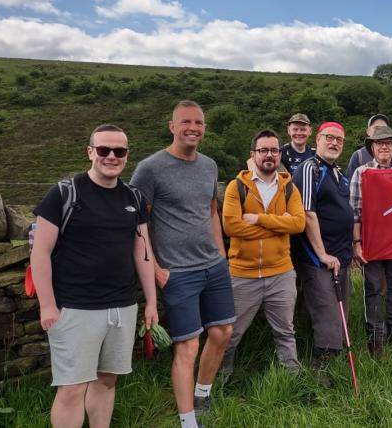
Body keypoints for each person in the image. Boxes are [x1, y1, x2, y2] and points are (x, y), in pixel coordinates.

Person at [31, 124, 157, 428]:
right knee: (72, 387)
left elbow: (143, 253)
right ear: (90, 152)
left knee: (107, 381)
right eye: (103, 150)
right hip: (75, 306)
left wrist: (151, 302)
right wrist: (47, 305)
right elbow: (40, 252)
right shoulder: (64, 193)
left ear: (127, 155)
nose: (111, 156)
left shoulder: (134, 198)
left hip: (121, 306)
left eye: (119, 151)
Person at [131, 100, 235, 428]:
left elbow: (211, 211)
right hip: (178, 271)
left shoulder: (209, 166)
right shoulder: (150, 168)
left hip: (213, 265)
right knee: (188, 344)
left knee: (222, 332)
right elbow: (137, 224)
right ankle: (188, 420)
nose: (194, 128)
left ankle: (203, 393)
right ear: (172, 126)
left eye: (199, 123)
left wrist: (221, 255)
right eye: (186, 122)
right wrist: (157, 269)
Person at [220, 129, 306, 380]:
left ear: (280, 154)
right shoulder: (237, 187)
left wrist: (258, 219)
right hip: (242, 274)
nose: (269, 155)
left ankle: (292, 379)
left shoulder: (289, 187)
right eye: (263, 150)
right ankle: (219, 379)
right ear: (253, 154)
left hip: (281, 272)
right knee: (231, 333)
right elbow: (231, 226)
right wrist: (280, 226)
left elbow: (299, 224)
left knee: (285, 332)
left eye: (274, 150)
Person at [291, 121, 355, 384]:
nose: (334, 143)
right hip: (317, 258)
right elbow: (307, 214)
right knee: (328, 313)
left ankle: (333, 359)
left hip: (341, 257)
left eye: (339, 140)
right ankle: (321, 371)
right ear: (317, 139)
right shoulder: (310, 168)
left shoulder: (339, 173)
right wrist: (323, 254)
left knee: (342, 312)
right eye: (329, 138)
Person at [349, 126, 392, 357]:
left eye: (388, 142)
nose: (384, 146)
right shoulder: (361, 173)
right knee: (373, 288)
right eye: (379, 143)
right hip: (372, 240)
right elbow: (355, 210)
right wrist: (357, 242)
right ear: (372, 148)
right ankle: (376, 340)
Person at [346, 114, 392, 178]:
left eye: (384, 128)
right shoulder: (359, 156)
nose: (380, 131)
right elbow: (350, 184)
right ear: (368, 131)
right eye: (376, 128)